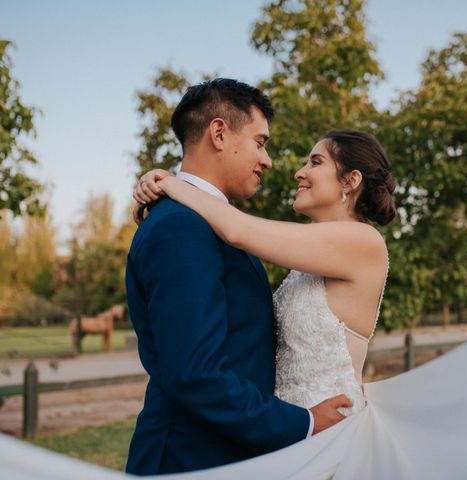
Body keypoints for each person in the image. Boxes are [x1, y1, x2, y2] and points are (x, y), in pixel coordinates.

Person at [125, 79, 352, 476]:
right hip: (192, 460)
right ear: (218, 132)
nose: (267, 160)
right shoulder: (182, 227)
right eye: (260, 142)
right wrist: (306, 423)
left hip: (228, 455)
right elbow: (195, 373)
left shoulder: (198, 218)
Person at [134, 127, 396, 421]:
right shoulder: (310, 257)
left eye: (316, 162)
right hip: (292, 425)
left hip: (332, 427)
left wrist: (171, 183)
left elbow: (237, 230)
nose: (300, 172)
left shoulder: (363, 241)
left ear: (351, 179)